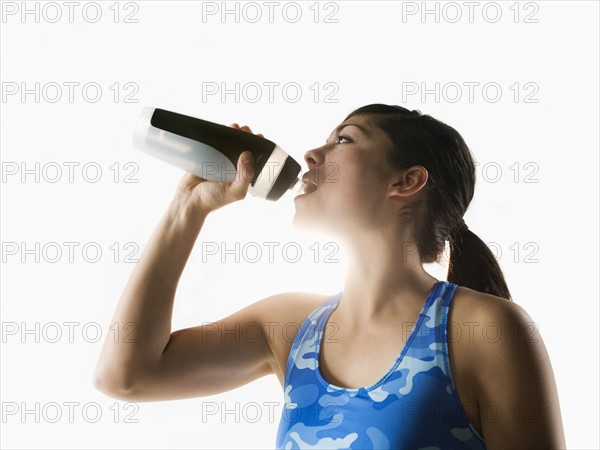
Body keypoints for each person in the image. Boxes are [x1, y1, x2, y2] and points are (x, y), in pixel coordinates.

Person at [93, 104, 566, 449]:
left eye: (344, 139)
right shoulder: (290, 326)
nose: (312, 154)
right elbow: (127, 376)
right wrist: (187, 209)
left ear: (407, 181)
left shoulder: (483, 329)